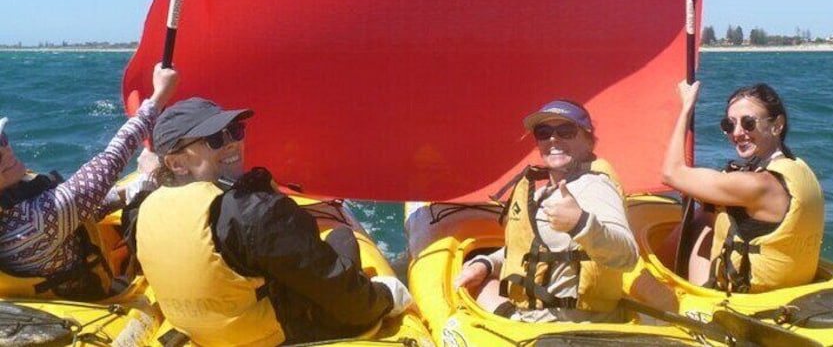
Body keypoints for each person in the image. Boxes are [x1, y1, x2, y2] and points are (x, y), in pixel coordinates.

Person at [124, 97, 411, 346]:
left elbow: (139, 205)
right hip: (278, 336)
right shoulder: (256, 213)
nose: (233, 143)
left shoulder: (140, 214)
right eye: (215, 139)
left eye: (235, 130)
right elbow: (352, 305)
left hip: (204, 335)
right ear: (176, 163)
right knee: (342, 239)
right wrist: (387, 295)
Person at [0, 63, 179, 300]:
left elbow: (78, 212)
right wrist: (159, 96)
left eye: (3, 139)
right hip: (91, 301)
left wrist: (131, 190)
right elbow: (110, 161)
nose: (7, 150)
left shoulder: (14, 210)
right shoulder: (32, 222)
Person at [454, 99, 637, 323]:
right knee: (480, 284)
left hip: (566, 330)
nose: (553, 138)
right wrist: (486, 264)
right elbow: (529, 249)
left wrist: (581, 223)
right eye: (544, 131)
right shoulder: (544, 192)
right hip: (530, 320)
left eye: (566, 130)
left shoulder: (595, 187)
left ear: (589, 141)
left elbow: (627, 255)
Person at [662, 80, 824, 293]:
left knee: (706, 218)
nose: (737, 133)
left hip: (746, 299)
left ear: (777, 125)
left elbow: (671, 173)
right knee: (711, 207)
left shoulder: (760, 184)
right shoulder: (797, 168)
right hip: (790, 290)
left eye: (748, 123)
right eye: (729, 125)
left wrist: (686, 109)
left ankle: (663, 280)